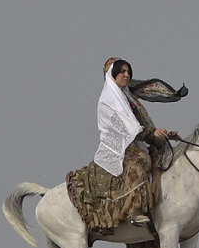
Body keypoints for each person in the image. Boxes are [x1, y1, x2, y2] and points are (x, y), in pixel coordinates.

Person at [76, 58, 178, 231]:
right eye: (122, 71)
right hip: (118, 145)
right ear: (112, 74)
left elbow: (139, 125)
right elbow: (128, 128)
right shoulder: (109, 99)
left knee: (166, 156)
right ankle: (134, 211)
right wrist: (151, 134)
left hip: (135, 140)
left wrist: (162, 136)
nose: (127, 74)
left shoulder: (127, 98)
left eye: (128, 71)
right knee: (142, 161)